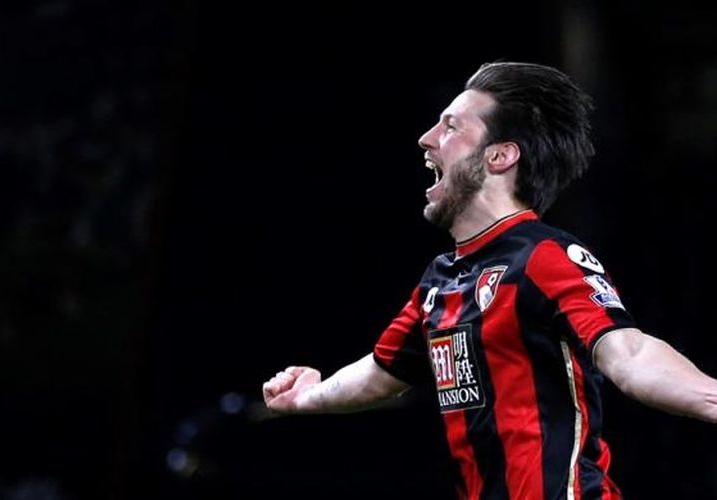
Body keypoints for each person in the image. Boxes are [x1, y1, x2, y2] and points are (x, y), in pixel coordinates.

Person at [261, 61, 717, 499]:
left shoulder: (544, 257)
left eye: (451, 126)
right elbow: (381, 374)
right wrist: (307, 397)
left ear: (500, 156)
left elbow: (631, 353)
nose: (426, 139)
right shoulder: (439, 283)